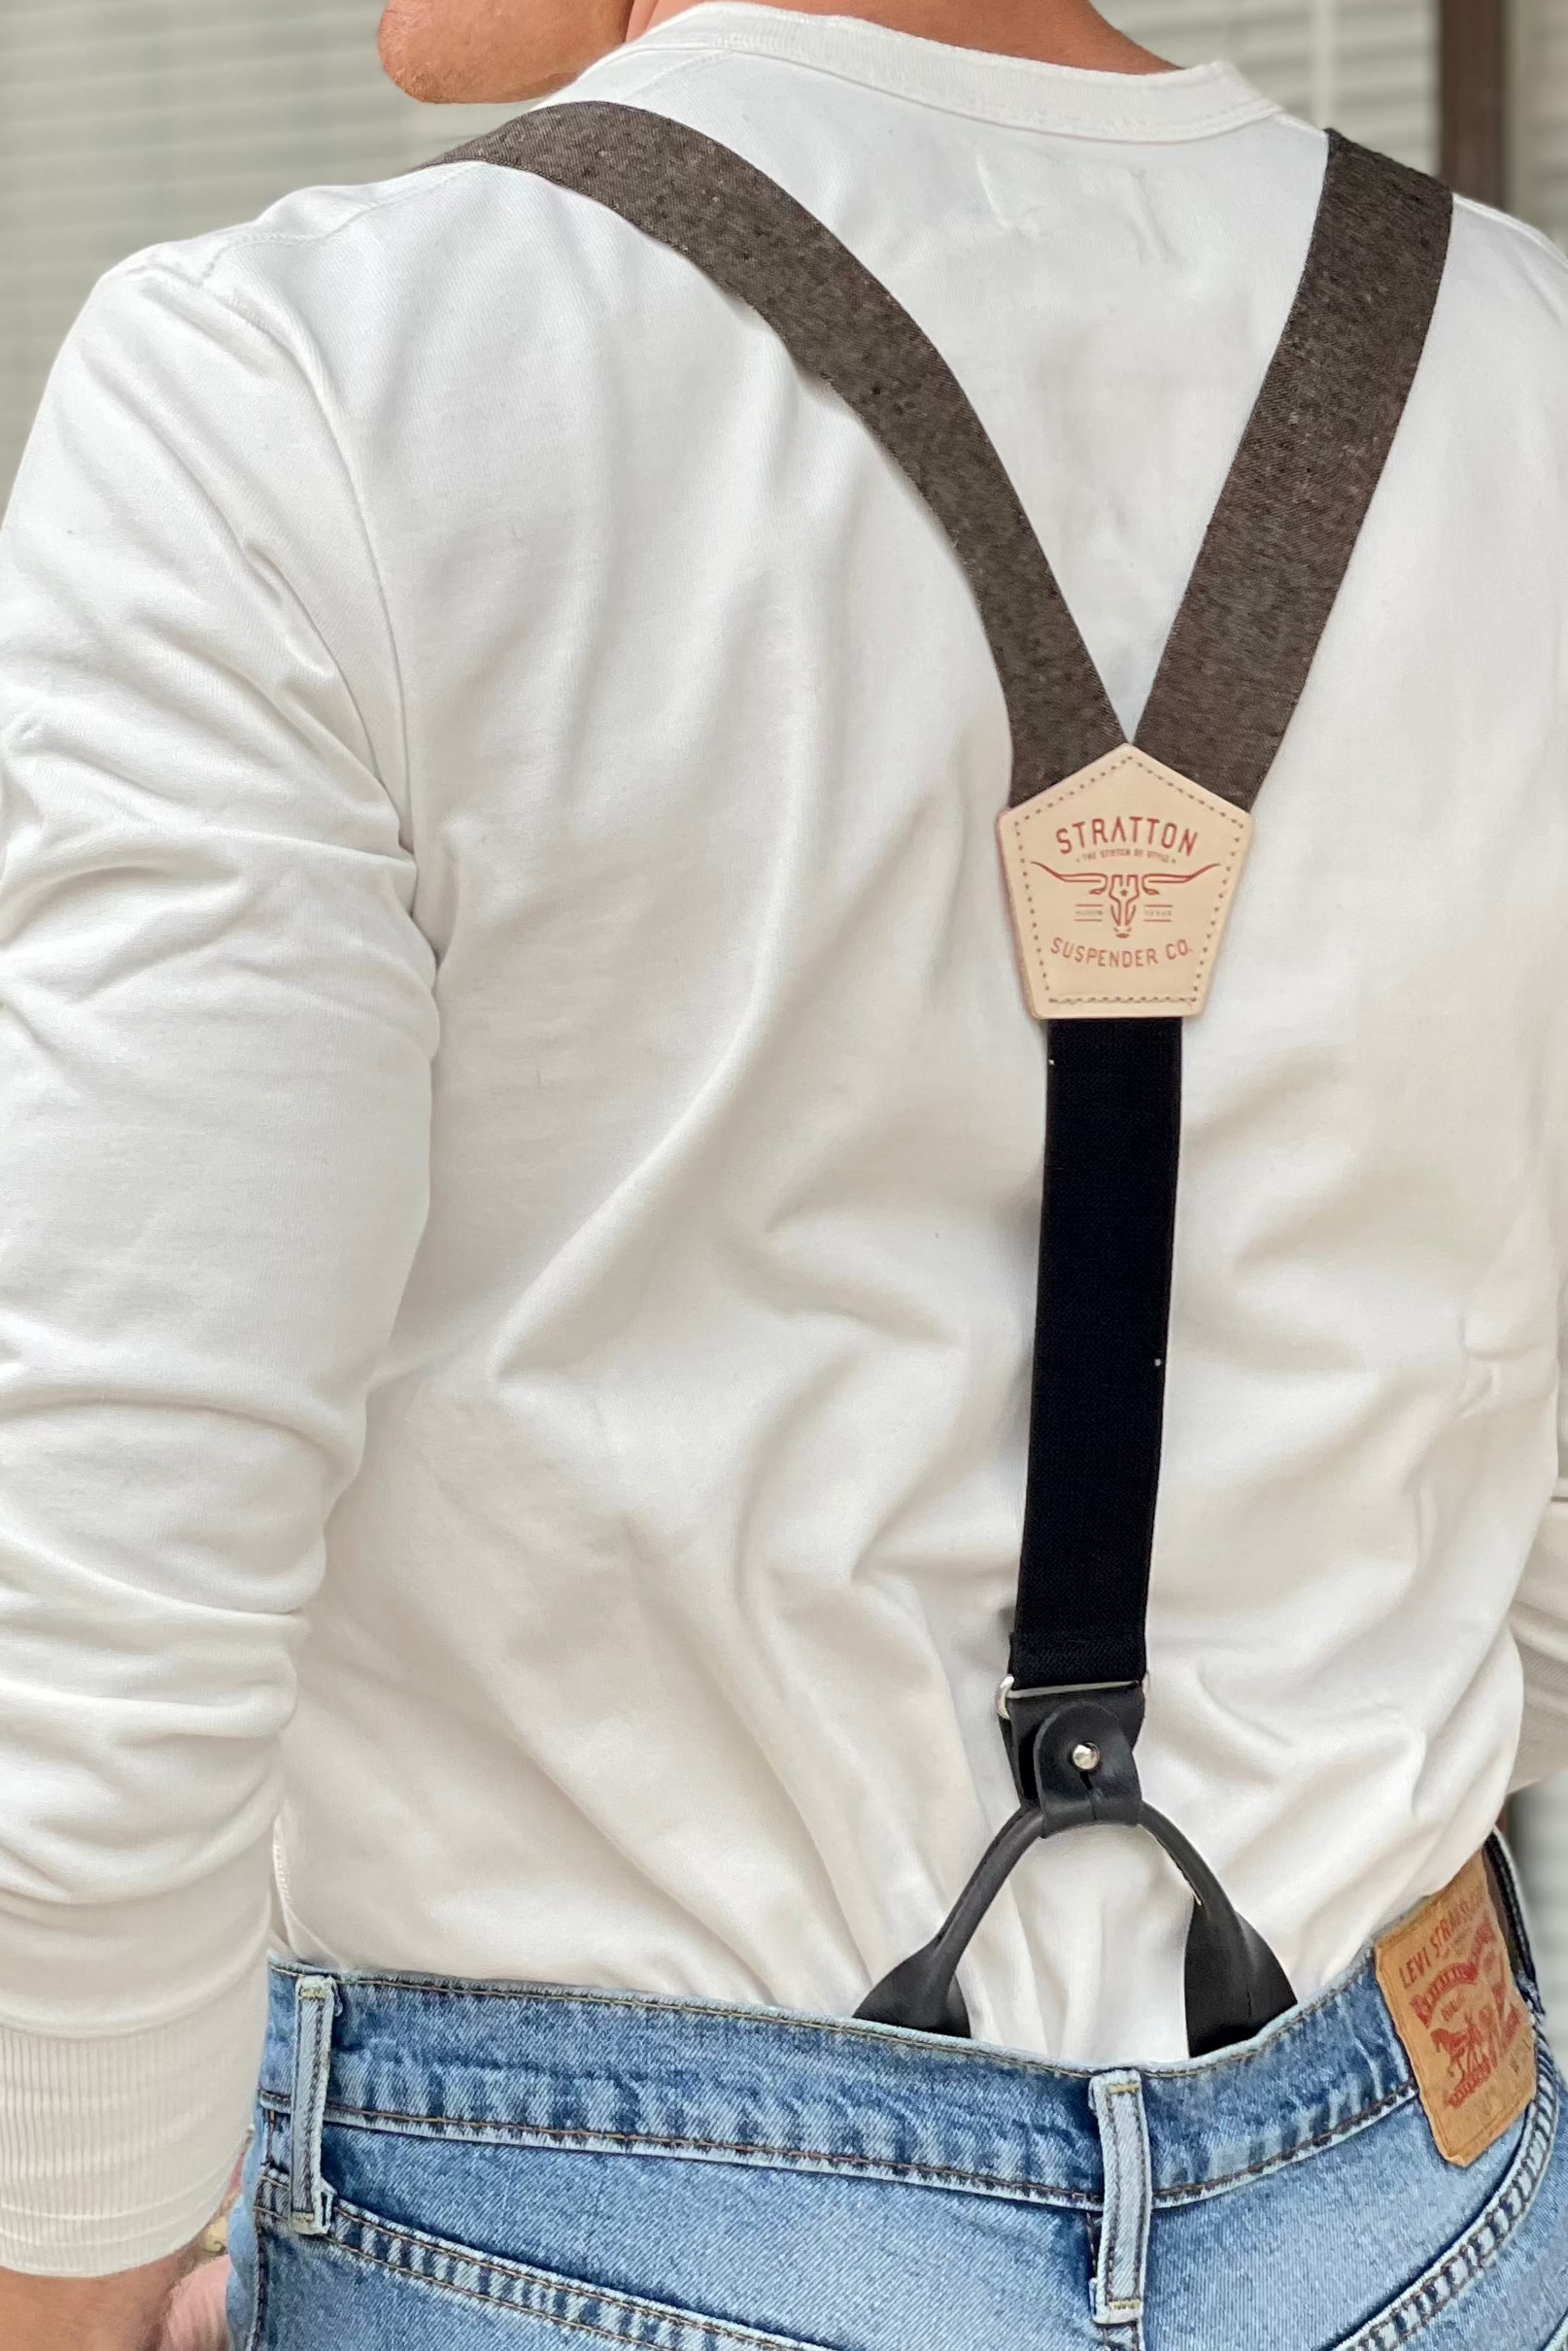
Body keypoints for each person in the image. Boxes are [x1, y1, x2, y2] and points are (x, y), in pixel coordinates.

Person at [5, 0, 1568, 2344]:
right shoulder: (1528, 376)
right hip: (1407, 2183)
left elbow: (109, 1554)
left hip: (576, 2228)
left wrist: (64, 2275)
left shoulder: (298, 388)